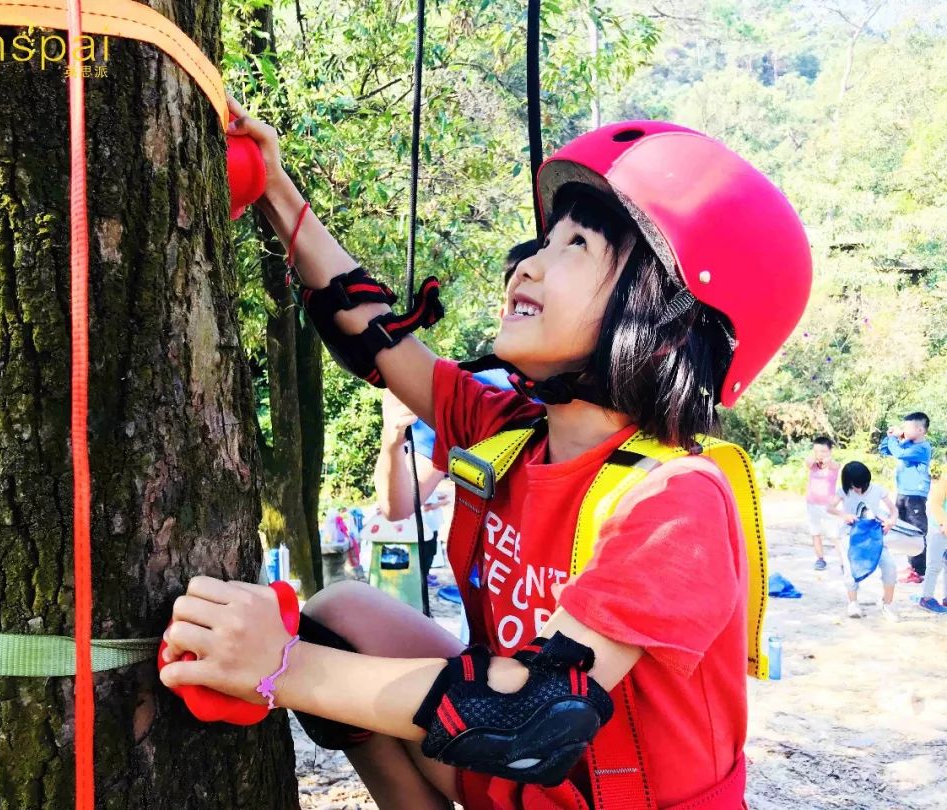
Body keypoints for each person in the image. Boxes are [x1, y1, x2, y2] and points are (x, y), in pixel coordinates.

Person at [160, 107, 811, 809]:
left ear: (663, 321)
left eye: (577, 246)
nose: (526, 263)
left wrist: (278, 668)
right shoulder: (510, 432)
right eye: (543, 240)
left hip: (580, 773)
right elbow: (378, 340)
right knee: (342, 616)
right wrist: (276, 189)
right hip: (517, 777)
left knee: (420, 684)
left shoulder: (674, 500)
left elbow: (532, 713)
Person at [374, 241, 538, 522]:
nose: (532, 275)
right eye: (520, 305)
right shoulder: (469, 392)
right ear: (503, 317)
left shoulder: (605, 403)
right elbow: (398, 506)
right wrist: (392, 435)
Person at [829, 461, 899, 621]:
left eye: (862, 485)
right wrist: (844, 515)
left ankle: (886, 604)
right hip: (850, 535)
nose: (859, 489)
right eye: (855, 486)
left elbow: (894, 511)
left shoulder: (878, 490)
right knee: (850, 570)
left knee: (890, 567)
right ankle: (853, 603)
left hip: (874, 535)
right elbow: (830, 507)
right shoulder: (843, 491)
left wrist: (890, 521)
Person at [879, 412, 932, 583]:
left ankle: (920, 571)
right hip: (903, 492)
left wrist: (896, 439)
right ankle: (912, 567)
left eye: (907, 427)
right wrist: (890, 438)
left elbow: (899, 454)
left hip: (915, 495)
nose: (904, 429)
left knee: (917, 531)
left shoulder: (922, 447)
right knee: (904, 529)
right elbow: (885, 450)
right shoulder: (906, 443)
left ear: (919, 430)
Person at [805, 436, 840, 570]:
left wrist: (826, 459)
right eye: (817, 451)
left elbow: (832, 464)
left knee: (835, 535)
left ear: (830, 451)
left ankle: (843, 562)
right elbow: (808, 462)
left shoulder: (834, 465)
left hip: (828, 507)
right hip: (812, 504)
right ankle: (820, 559)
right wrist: (817, 456)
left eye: (824, 451)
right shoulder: (813, 464)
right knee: (815, 532)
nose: (820, 454)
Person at [917, 461, 947, 614]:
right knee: (934, 565)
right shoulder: (944, 477)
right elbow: (934, 504)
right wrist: (943, 523)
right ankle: (926, 598)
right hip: (940, 528)